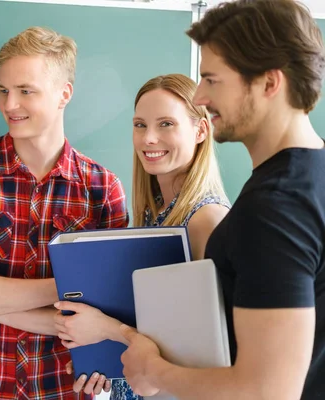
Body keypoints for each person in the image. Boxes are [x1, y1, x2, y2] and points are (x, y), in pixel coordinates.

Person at [118, 1, 325, 399]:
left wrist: (154, 370)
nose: (200, 95)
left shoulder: (274, 209)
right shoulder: (305, 180)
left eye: (212, 80)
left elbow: (265, 391)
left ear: (268, 83)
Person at [0, 26, 129, 399]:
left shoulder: (102, 189)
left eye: (25, 92)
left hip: (64, 385)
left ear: (64, 94)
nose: (9, 105)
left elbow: (108, 314)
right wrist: (66, 295)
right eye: (3, 90)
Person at [51, 73, 230, 398]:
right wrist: (104, 356)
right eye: (139, 124)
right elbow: (154, 326)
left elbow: (202, 350)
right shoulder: (155, 214)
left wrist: (105, 329)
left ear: (201, 130)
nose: (148, 138)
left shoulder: (206, 220)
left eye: (165, 124)